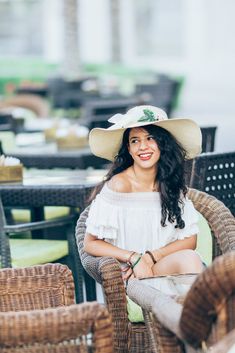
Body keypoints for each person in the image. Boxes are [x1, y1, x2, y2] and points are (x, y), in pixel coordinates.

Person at [84, 105, 204, 284]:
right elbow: (90, 243)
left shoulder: (170, 183)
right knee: (193, 264)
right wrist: (134, 258)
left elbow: (189, 240)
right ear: (129, 148)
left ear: (163, 143)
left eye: (150, 138)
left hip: (164, 266)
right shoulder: (120, 185)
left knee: (194, 261)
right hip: (136, 276)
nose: (142, 147)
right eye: (135, 141)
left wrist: (150, 257)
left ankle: (198, 309)